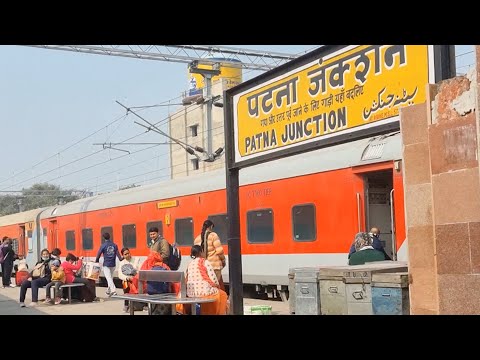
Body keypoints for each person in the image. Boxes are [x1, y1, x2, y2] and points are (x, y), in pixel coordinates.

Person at [185, 245, 228, 315]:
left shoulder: (190, 264)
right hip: (204, 292)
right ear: (201, 252)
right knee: (223, 294)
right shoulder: (205, 262)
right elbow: (213, 278)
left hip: (191, 293)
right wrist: (217, 286)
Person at [194, 220, 226, 291]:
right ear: (211, 226)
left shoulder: (197, 239)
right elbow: (219, 251)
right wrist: (223, 261)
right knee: (216, 287)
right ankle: (218, 301)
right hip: (214, 266)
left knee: (207, 287)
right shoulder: (213, 235)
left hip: (203, 267)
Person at [95, 232, 122, 297]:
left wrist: (96, 261)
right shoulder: (114, 245)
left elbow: (98, 254)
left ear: (103, 238)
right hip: (113, 264)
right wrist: (121, 259)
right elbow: (118, 255)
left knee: (109, 278)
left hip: (106, 264)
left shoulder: (103, 245)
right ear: (110, 237)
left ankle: (113, 291)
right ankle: (108, 291)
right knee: (110, 278)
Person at [118, 247, 142, 313]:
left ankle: (142, 304)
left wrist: (135, 277)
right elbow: (120, 275)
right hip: (127, 279)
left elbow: (140, 270)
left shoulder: (136, 260)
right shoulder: (122, 263)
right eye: (125, 254)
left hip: (136, 279)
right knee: (125, 284)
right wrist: (127, 278)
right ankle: (126, 304)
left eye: (128, 253)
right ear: (123, 255)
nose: (127, 255)